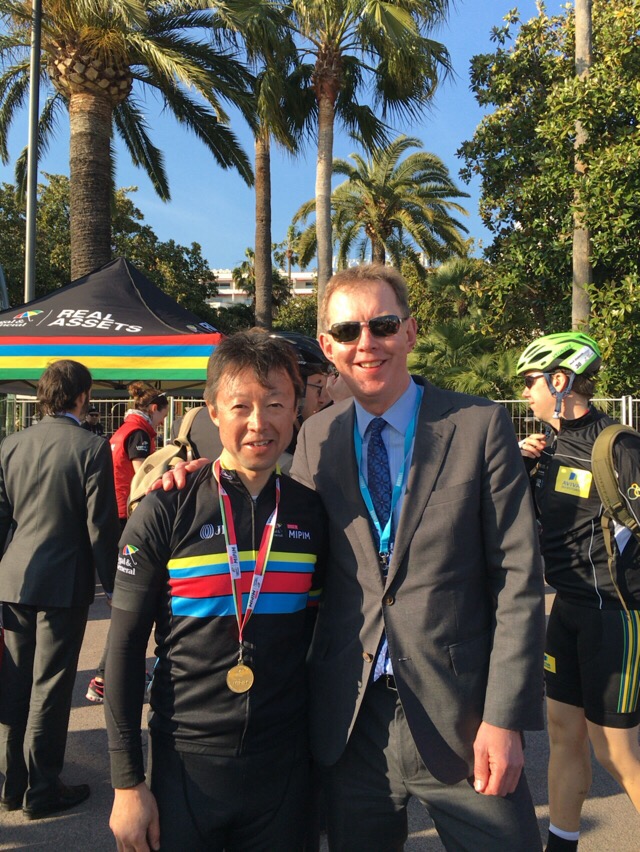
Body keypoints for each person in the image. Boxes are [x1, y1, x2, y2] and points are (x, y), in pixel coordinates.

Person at [163, 264, 546, 851]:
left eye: (383, 325)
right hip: (350, 723)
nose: (366, 343)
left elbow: (518, 579)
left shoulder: (478, 425)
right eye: (347, 331)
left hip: (464, 719)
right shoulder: (315, 438)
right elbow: (276, 519)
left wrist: (505, 716)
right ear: (328, 346)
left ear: (410, 331)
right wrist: (201, 480)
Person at [105, 329, 326, 852]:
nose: (259, 422)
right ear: (212, 410)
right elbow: (123, 648)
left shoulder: (312, 513)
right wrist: (126, 783)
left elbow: (321, 639)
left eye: (276, 403)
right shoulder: (166, 508)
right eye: (240, 405)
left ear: (296, 409)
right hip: (187, 764)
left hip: (284, 768)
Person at [517, 332, 640, 852]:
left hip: (615, 613)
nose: (525, 393)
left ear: (560, 380)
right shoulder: (544, 450)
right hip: (567, 609)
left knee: (616, 752)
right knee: (563, 733)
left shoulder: (617, 445)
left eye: (530, 381)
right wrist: (523, 467)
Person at [0, 359, 119, 819]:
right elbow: (100, 527)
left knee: (14, 680)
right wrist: (115, 585)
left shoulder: (11, 444)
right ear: (82, 396)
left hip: (14, 576)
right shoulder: (91, 447)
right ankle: (43, 787)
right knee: (49, 685)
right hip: (63, 581)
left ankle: (11, 783)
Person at [86, 383, 168, 704]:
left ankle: (104, 676)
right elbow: (144, 478)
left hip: (118, 516)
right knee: (133, 604)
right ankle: (105, 676)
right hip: (130, 519)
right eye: (163, 414)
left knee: (130, 603)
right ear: (154, 408)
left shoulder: (124, 429)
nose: (163, 421)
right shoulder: (138, 433)